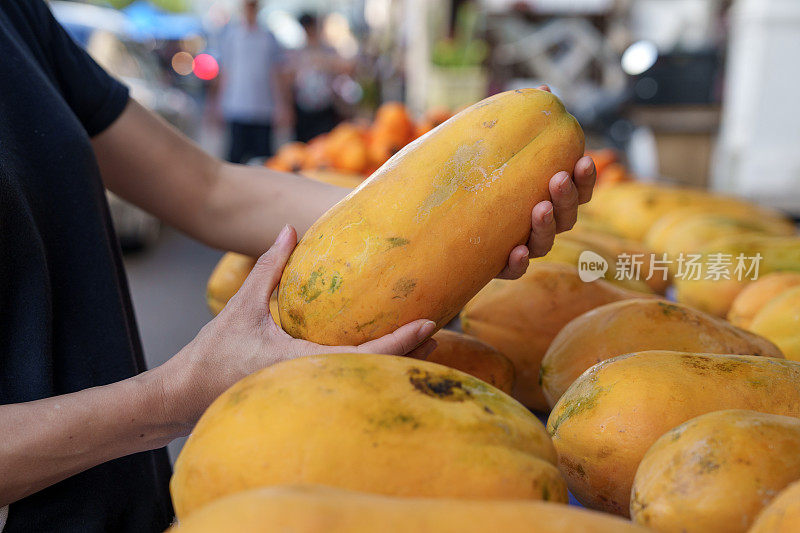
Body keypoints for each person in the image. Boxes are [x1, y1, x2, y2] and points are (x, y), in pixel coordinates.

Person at [0, 0, 596, 531]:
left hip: (128, 503)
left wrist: (450, 222)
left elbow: (208, 189)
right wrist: (176, 396)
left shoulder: (18, 18)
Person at [216, 0, 292, 163]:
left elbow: (276, 73)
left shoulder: (268, 37)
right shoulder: (231, 36)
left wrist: (282, 105)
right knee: (235, 159)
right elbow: (225, 72)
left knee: (263, 160)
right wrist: (217, 104)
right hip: (237, 107)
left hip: (263, 109)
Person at [290, 13, 349, 142]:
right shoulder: (298, 52)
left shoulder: (327, 51)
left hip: (325, 107)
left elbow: (345, 68)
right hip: (303, 108)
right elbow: (288, 79)